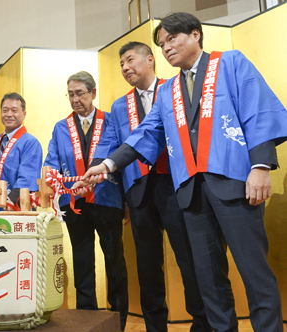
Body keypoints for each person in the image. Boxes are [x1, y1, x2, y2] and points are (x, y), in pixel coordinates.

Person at [81, 12, 287, 332]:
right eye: (162, 44)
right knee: (208, 279)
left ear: (195, 35)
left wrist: (260, 166)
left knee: (254, 271)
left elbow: (258, 109)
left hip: (234, 182)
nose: (167, 48)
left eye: (172, 39)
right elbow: (147, 134)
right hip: (190, 193)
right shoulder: (168, 90)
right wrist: (108, 165)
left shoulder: (230, 62)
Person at [94, 42, 211, 331]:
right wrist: (98, 165)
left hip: (175, 186)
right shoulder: (120, 105)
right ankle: (155, 326)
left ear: (150, 60)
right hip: (139, 190)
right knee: (147, 267)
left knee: (188, 259)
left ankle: (201, 322)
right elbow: (111, 141)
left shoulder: (174, 90)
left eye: (130, 60)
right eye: (121, 64)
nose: (125, 68)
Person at [44, 71, 128, 331]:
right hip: (74, 203)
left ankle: (118, 317)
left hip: (107, 199)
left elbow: (115, 156)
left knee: (114, 260)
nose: (75, 99)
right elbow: (51, 161)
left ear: (93, 93)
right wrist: (51, 178)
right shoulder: (61, 127)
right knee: (82, 261)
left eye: (80, 93)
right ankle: (86, 319)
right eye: (70, 94)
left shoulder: (111, 121)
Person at [0, 92, 42, 211]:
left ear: (24, 114)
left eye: (14, 110)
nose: (9, 114)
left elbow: (28, 176)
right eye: (5, 110)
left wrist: (10, 202)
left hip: (15, 207)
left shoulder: (30, 142)